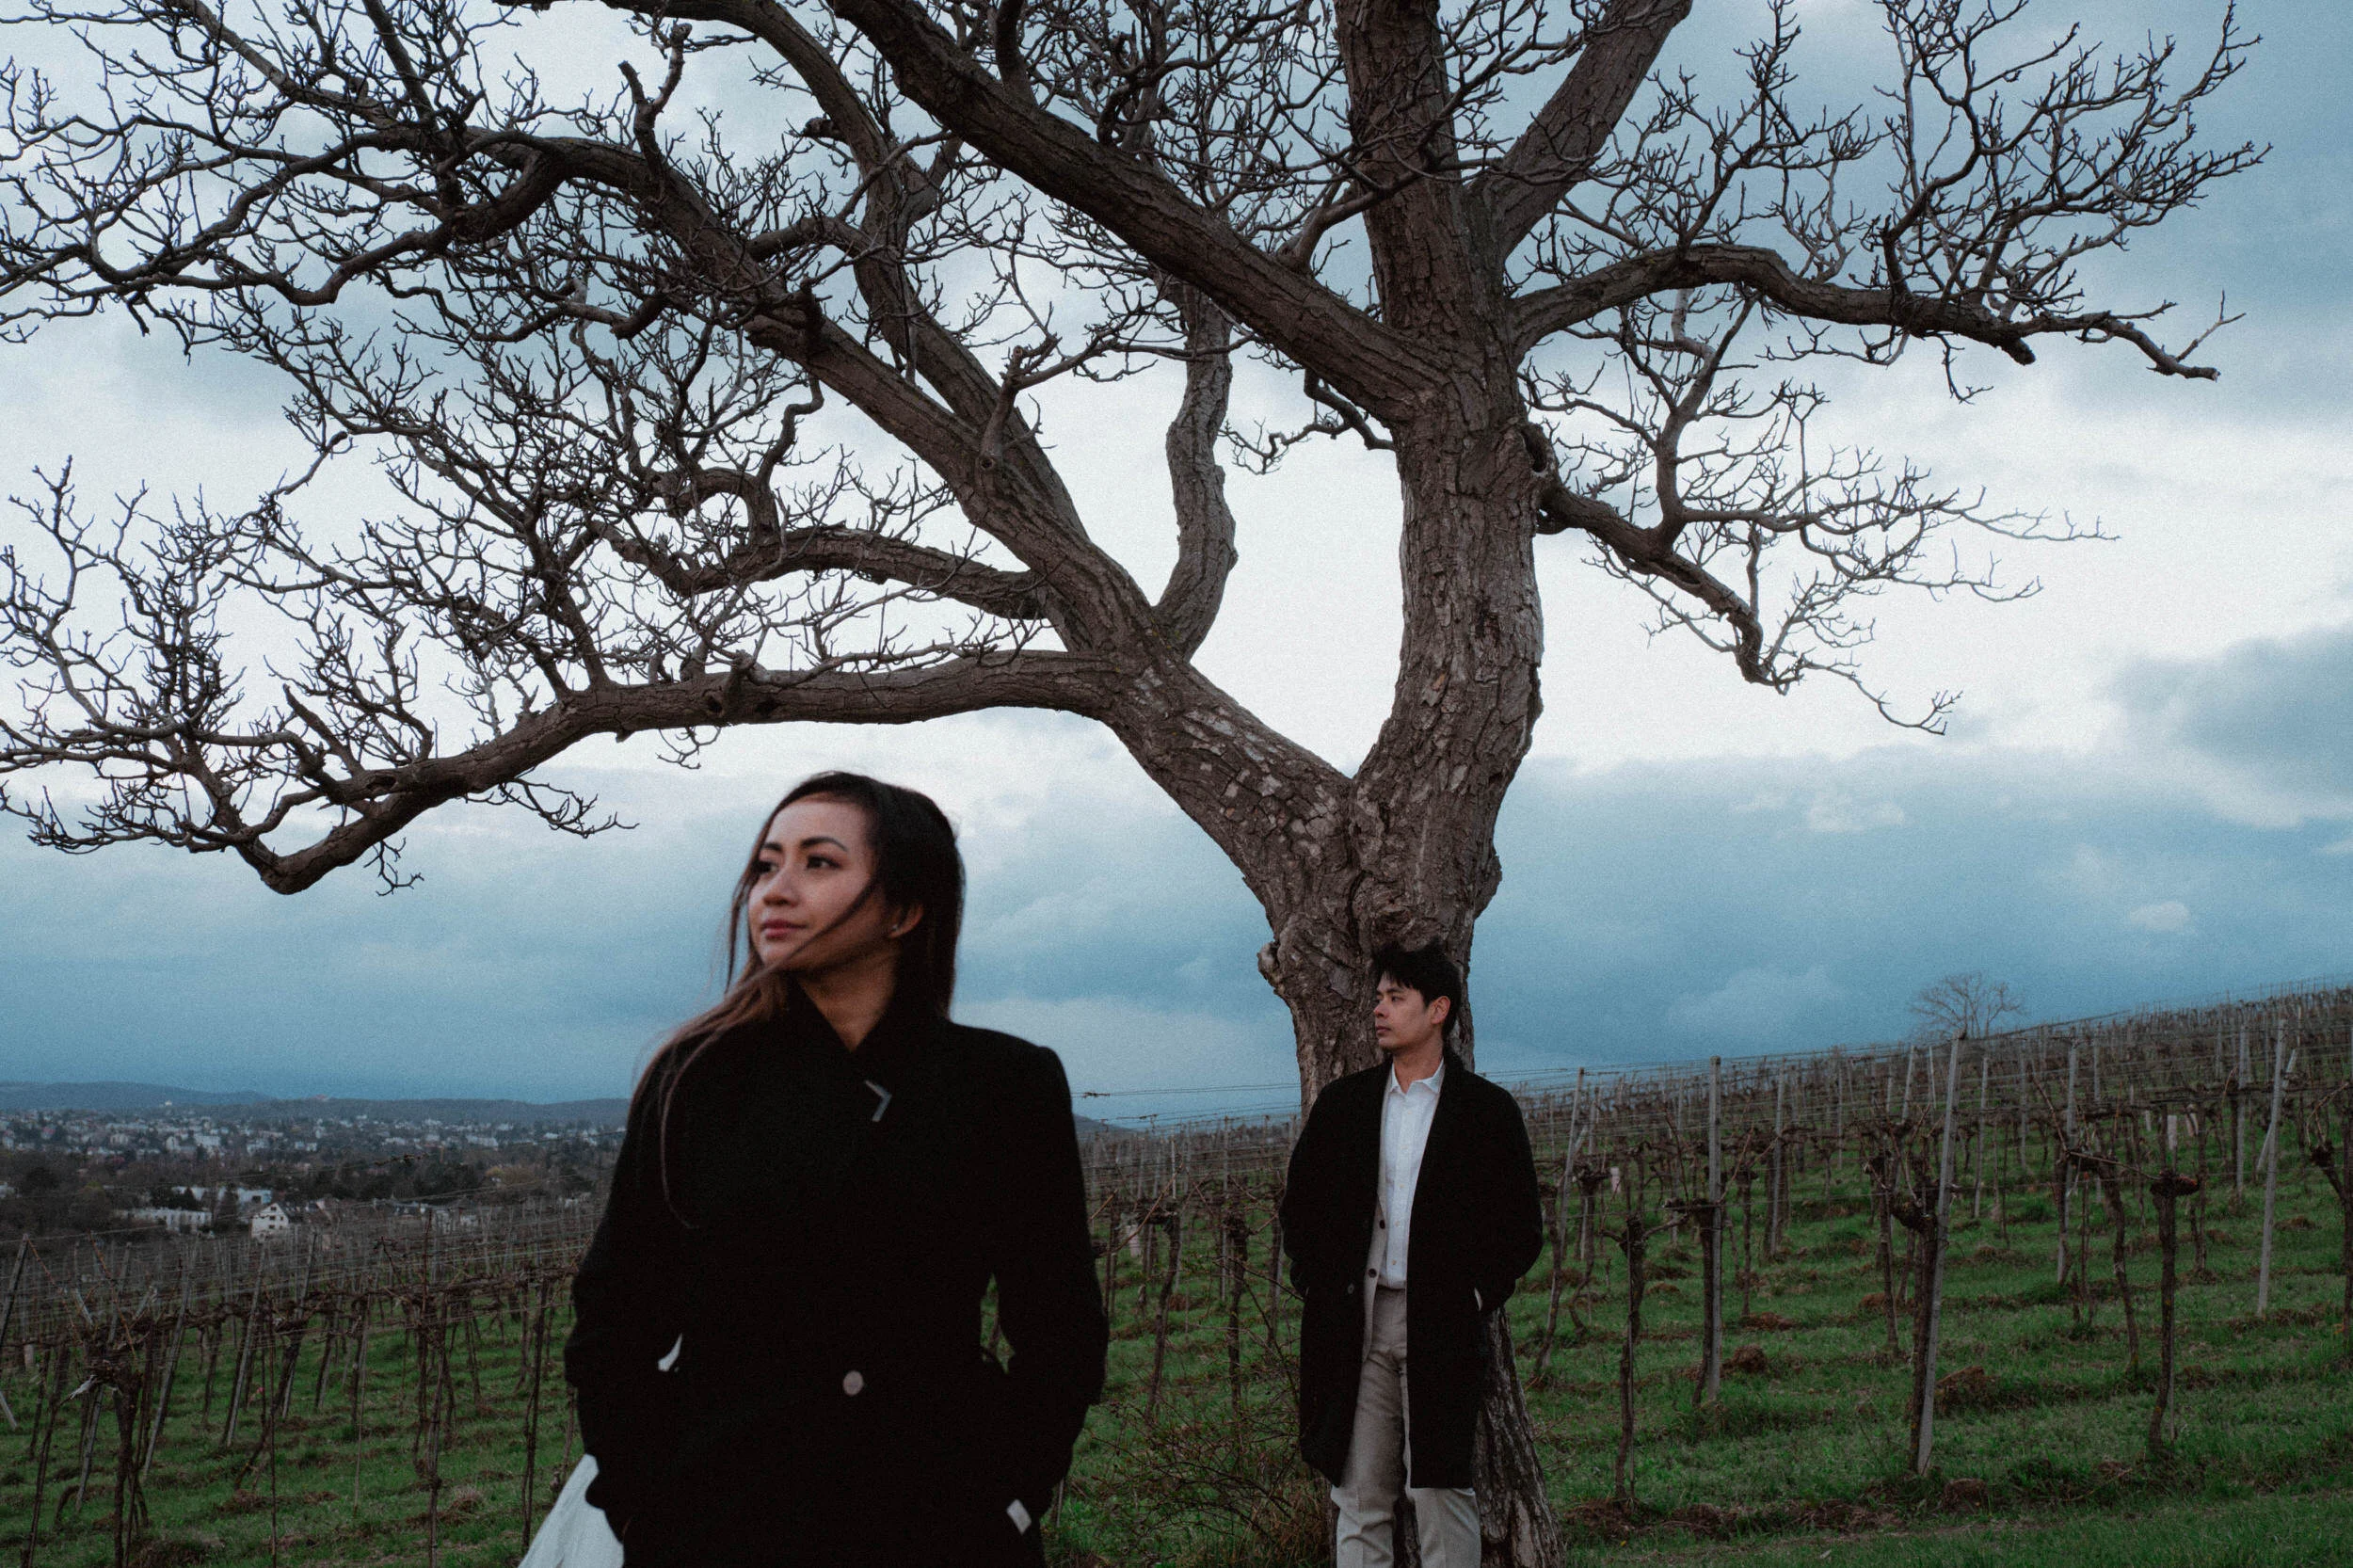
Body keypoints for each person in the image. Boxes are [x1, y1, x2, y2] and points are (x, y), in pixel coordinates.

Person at [565, 772, 1108, 1568]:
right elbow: (615, 1320)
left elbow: (1060, 1327)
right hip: (726, 1521)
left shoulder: (1003, 1084)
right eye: (765, 866)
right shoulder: (697, 1080)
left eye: (818, 863)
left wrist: (1012, 1495)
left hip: (939, 1522)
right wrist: (646, 1504)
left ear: (905, 908)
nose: (774, 892)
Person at [1279, 942, 1544, 1568]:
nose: (1379, 1010)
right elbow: (1301, 1206)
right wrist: (1316, 1283)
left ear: (1438, 1011)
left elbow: (1519, 1227)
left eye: (1396, 998)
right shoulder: (1343, 1106)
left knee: (1439, 1489)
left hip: (1441, 1323)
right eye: (1378, 997)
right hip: (1356, 1323)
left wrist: (1475, 1296)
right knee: (1358, 1495)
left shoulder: (1485, 1112)